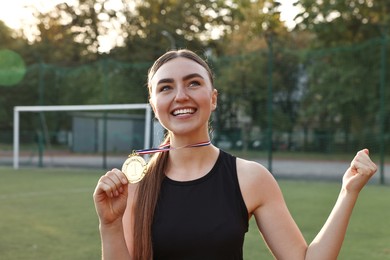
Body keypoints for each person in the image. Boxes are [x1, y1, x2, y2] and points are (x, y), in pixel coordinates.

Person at [93, 49, 377, 260]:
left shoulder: (250, 178)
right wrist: (110, 224)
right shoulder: (136, 183)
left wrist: (347, 193)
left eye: (193, 83)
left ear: (213, 98)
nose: (180, 96)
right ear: (154, 105)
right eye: (166, 87)